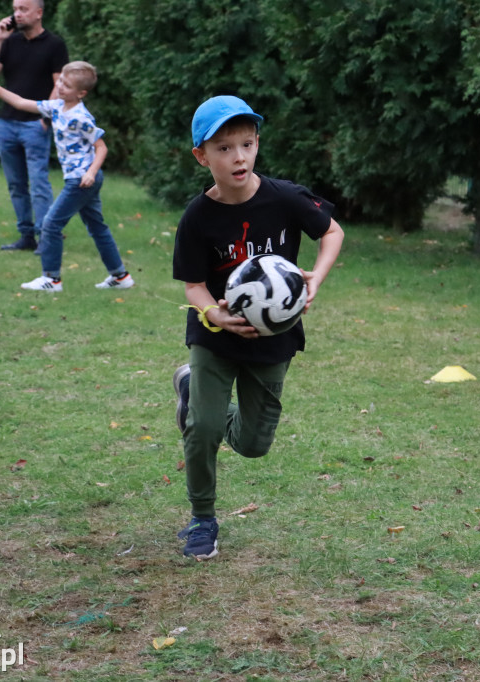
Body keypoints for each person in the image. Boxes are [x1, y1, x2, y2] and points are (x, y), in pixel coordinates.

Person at [171, 95, 344, 560]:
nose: (238, 157)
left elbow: (332, 232)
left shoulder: (284, 197)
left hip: (275, 339)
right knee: (202, 427)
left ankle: (189, 393)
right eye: (224, 148)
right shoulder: (197, 217)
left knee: (253, 444)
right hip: (214, 336)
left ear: (257, 145)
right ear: (201, 156)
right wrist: (215, 314)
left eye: (246, 144)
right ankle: (202, 518)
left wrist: (315, 280)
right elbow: (192, 287)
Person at [0, 61, 133, 292]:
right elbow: (20, 102)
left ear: (81, 93)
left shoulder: (81, 117)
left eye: (67, 86)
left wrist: (90, 173)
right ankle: (120, 277)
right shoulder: (56, 107)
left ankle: (51, 279)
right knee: (97, 227)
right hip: (80, 179)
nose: (60, 87)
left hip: (81, 179)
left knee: (50, 224)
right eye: (60, 81)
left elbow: (102, 147)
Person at [0, 0, 68, 252]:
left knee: (38, 182)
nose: (17, 14)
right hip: (6, 123)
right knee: (16, 184)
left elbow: (59, 85)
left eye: (23, 9)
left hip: (35, 125)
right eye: (15, 9)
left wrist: (45, 118)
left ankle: (46, 237)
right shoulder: (9, 42)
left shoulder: (54, 45)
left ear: (39, 13)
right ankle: (26, 236)